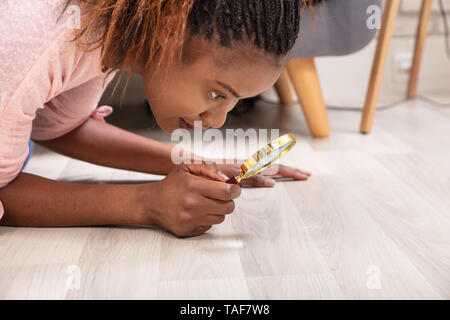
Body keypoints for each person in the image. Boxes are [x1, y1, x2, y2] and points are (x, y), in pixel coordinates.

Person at [0, 0, 313, 237]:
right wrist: (147, 203)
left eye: (234, 102)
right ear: (171, 31)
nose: (217, 121)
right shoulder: (41, 37)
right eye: (218, 94)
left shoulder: (108, 29)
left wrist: (199, 164)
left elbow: (58, 127)